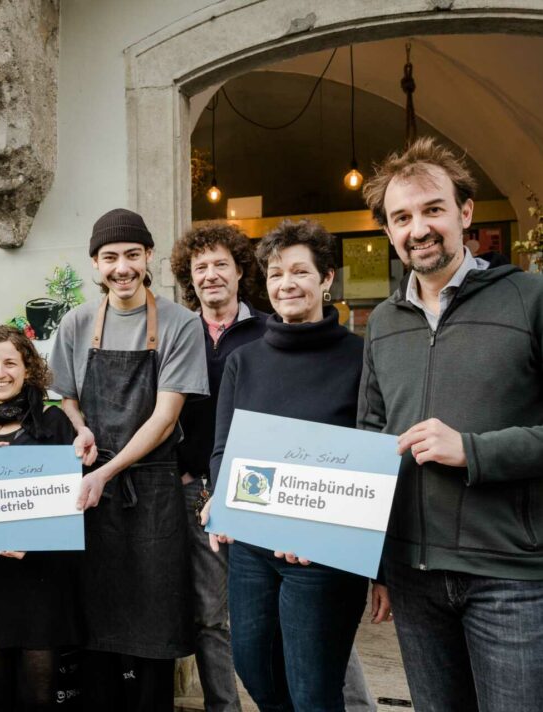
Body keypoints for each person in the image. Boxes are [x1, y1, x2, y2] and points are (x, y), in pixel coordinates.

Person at [358, 137, 543, 711]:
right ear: (389, 231)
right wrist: (374, 559)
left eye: (433, 209)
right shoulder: (383, 322)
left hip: (510, 575)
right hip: (414, 577)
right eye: (402, 216)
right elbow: (369, 435)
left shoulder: (529, 299)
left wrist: (473, 450)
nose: (419, 228)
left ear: (465, 213)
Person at [204, 220, 390, 712]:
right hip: (252, 547)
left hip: (325, 556)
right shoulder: (245, 360)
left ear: (327, 279)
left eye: (299, 272)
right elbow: (225, 449)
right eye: (274, 273)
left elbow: (376, 458)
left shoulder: (362, 358)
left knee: (314, 690)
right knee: (254, 669)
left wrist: (381, 565)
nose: (285, 283)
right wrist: (220, 503)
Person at [49, 208, 208, 711]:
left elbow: (164, 419)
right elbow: (64, 397)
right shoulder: (75, 324)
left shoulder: (181, 324)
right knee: (95, 623)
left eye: (132, 256)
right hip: (93, 496)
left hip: (153, 491)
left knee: (155, 621)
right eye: (111, 257)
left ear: (149, 258)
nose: (122, 268)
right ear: (95, 264)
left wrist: (106, 471)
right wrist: (81, 429)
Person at [0, 325, 83, 712]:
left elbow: (72, 501)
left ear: (28, 370)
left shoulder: (55, 425)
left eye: (10, 362)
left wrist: (34, 538)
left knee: (38, 697)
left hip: (40, 581)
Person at [169, 224, 267, 712]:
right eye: (200, 266)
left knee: (278, 607)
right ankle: (223, 707)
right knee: (210, 614)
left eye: (220, 264)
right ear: (189, 276)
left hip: (259, 489)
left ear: (240, 270)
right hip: (197, 490)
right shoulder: (178, 333)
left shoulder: (269, 330)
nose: (210, 275)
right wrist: (187, 475)